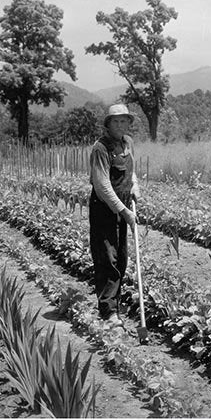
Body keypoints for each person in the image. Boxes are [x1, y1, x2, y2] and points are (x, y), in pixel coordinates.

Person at [88, 104, 140, 322]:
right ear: (108, 125)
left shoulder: (127, 143)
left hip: (124, 207)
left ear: (129, 123)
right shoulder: (100, 148)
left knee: (121, 258)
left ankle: (115, 304)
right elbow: (101, 185)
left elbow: (132, 170)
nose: (120, 125)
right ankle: (108, 311)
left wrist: (135, 185)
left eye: (124, 121)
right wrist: (123, 210)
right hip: (105, 209)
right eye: (116, 121)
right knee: (107, 259)